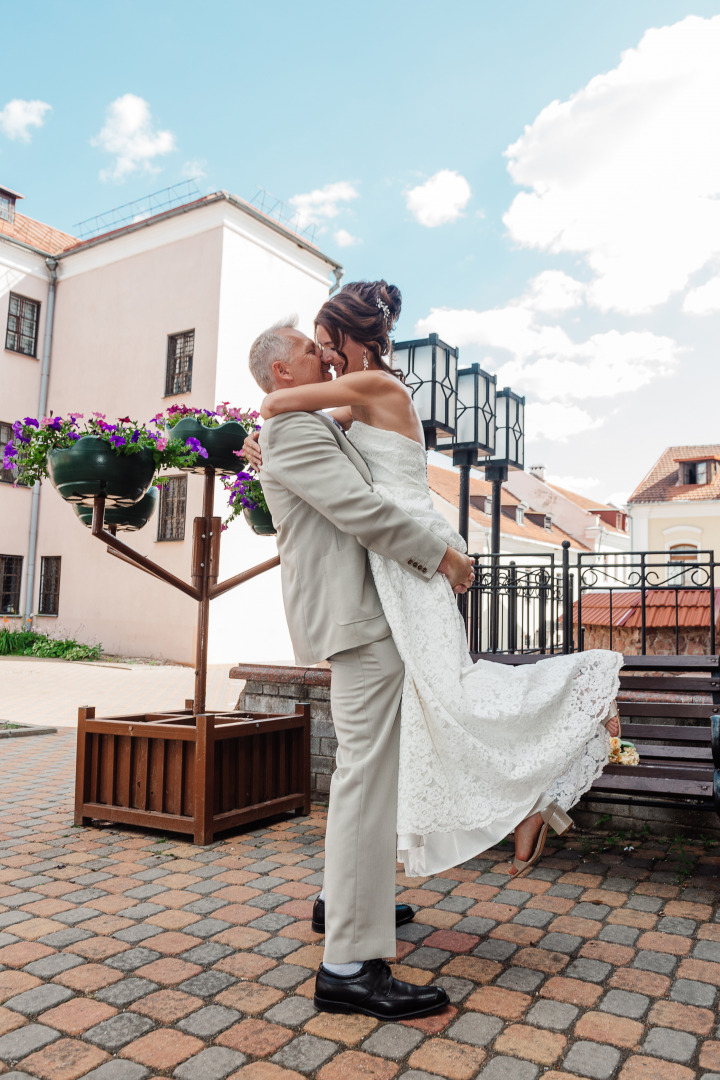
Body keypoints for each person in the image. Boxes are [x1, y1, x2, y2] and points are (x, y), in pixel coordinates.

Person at [246, 280, 623, 884]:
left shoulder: (374, 383)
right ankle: (524, 802)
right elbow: (328, 442)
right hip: (396, 561)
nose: (325, 354)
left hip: (410, 552)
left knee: (451, 692)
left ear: (353, 337)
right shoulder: (361, 394)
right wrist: (278, 461)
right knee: (435, 702)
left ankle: (583, 692)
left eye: (327, 342)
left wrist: (271, 419)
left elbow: (277, 405)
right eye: (315, 347)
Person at [247, 317, 474, 1019]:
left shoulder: (308, 423)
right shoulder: (293, 428)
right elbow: (359, 509)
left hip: (369, 617)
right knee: (363, 786)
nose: (324, 355)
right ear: (281, 372)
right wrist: (442, 556)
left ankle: (349, 909)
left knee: (368, 781)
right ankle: (347, 963)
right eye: (310, 349)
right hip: (359, 619)